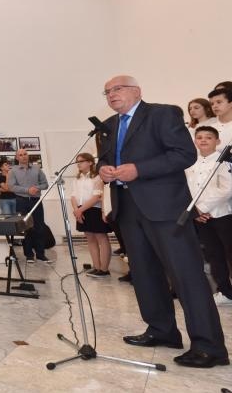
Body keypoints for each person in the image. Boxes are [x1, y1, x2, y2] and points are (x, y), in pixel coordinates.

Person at [98, 75, 228, 368]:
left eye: (117, 89)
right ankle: (161, 330)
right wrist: (103, 169)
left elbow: (184, 154)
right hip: (128, 209)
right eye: (106, 92)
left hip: (166, 208)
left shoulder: (162, 114)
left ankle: (209, 347)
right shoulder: (109, 125)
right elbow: (103, 159)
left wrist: (139, 169)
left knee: (186, 275)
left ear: (136, 91)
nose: (111, 95)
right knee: (144, 274)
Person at [187, 126, 232, 307]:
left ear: (217, 141)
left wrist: (202, 208)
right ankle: (225, 292)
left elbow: (227, 188)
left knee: (230, 253)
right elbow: (187, 190)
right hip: (201, 218)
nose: (203, 140)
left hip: (223, 215)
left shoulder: (224, 161)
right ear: (195, 141)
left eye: (208, 137)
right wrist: (195, 212)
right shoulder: (190, 163)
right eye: (199, 137)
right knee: (214, 255)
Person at [69, 153, 111, 277]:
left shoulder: (97, 177)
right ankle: (96, 266)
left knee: (101, 238)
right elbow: (73, 196)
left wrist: (80, 210)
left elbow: (97, 196)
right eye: (77, 162)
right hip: (81, 211)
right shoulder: (77, 179)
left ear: (90, 162)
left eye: (81, 161)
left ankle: (104, 269)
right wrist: (77, 210)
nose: (78, 164)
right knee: (90, 239)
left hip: (95, 209)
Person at [9, 148, 50, 263]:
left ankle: (41, 254)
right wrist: (27, 190)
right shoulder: (13, 171)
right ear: (17, 158)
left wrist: (36, 188)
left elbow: (45, 184)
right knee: (25, 228)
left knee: (39, 227)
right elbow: (12, 187)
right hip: (21, 201)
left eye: (25, 154)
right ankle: (29, 255)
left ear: (28, 155)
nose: (23, 156)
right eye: (20, 155)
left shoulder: (37, 168)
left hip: (36, 201)